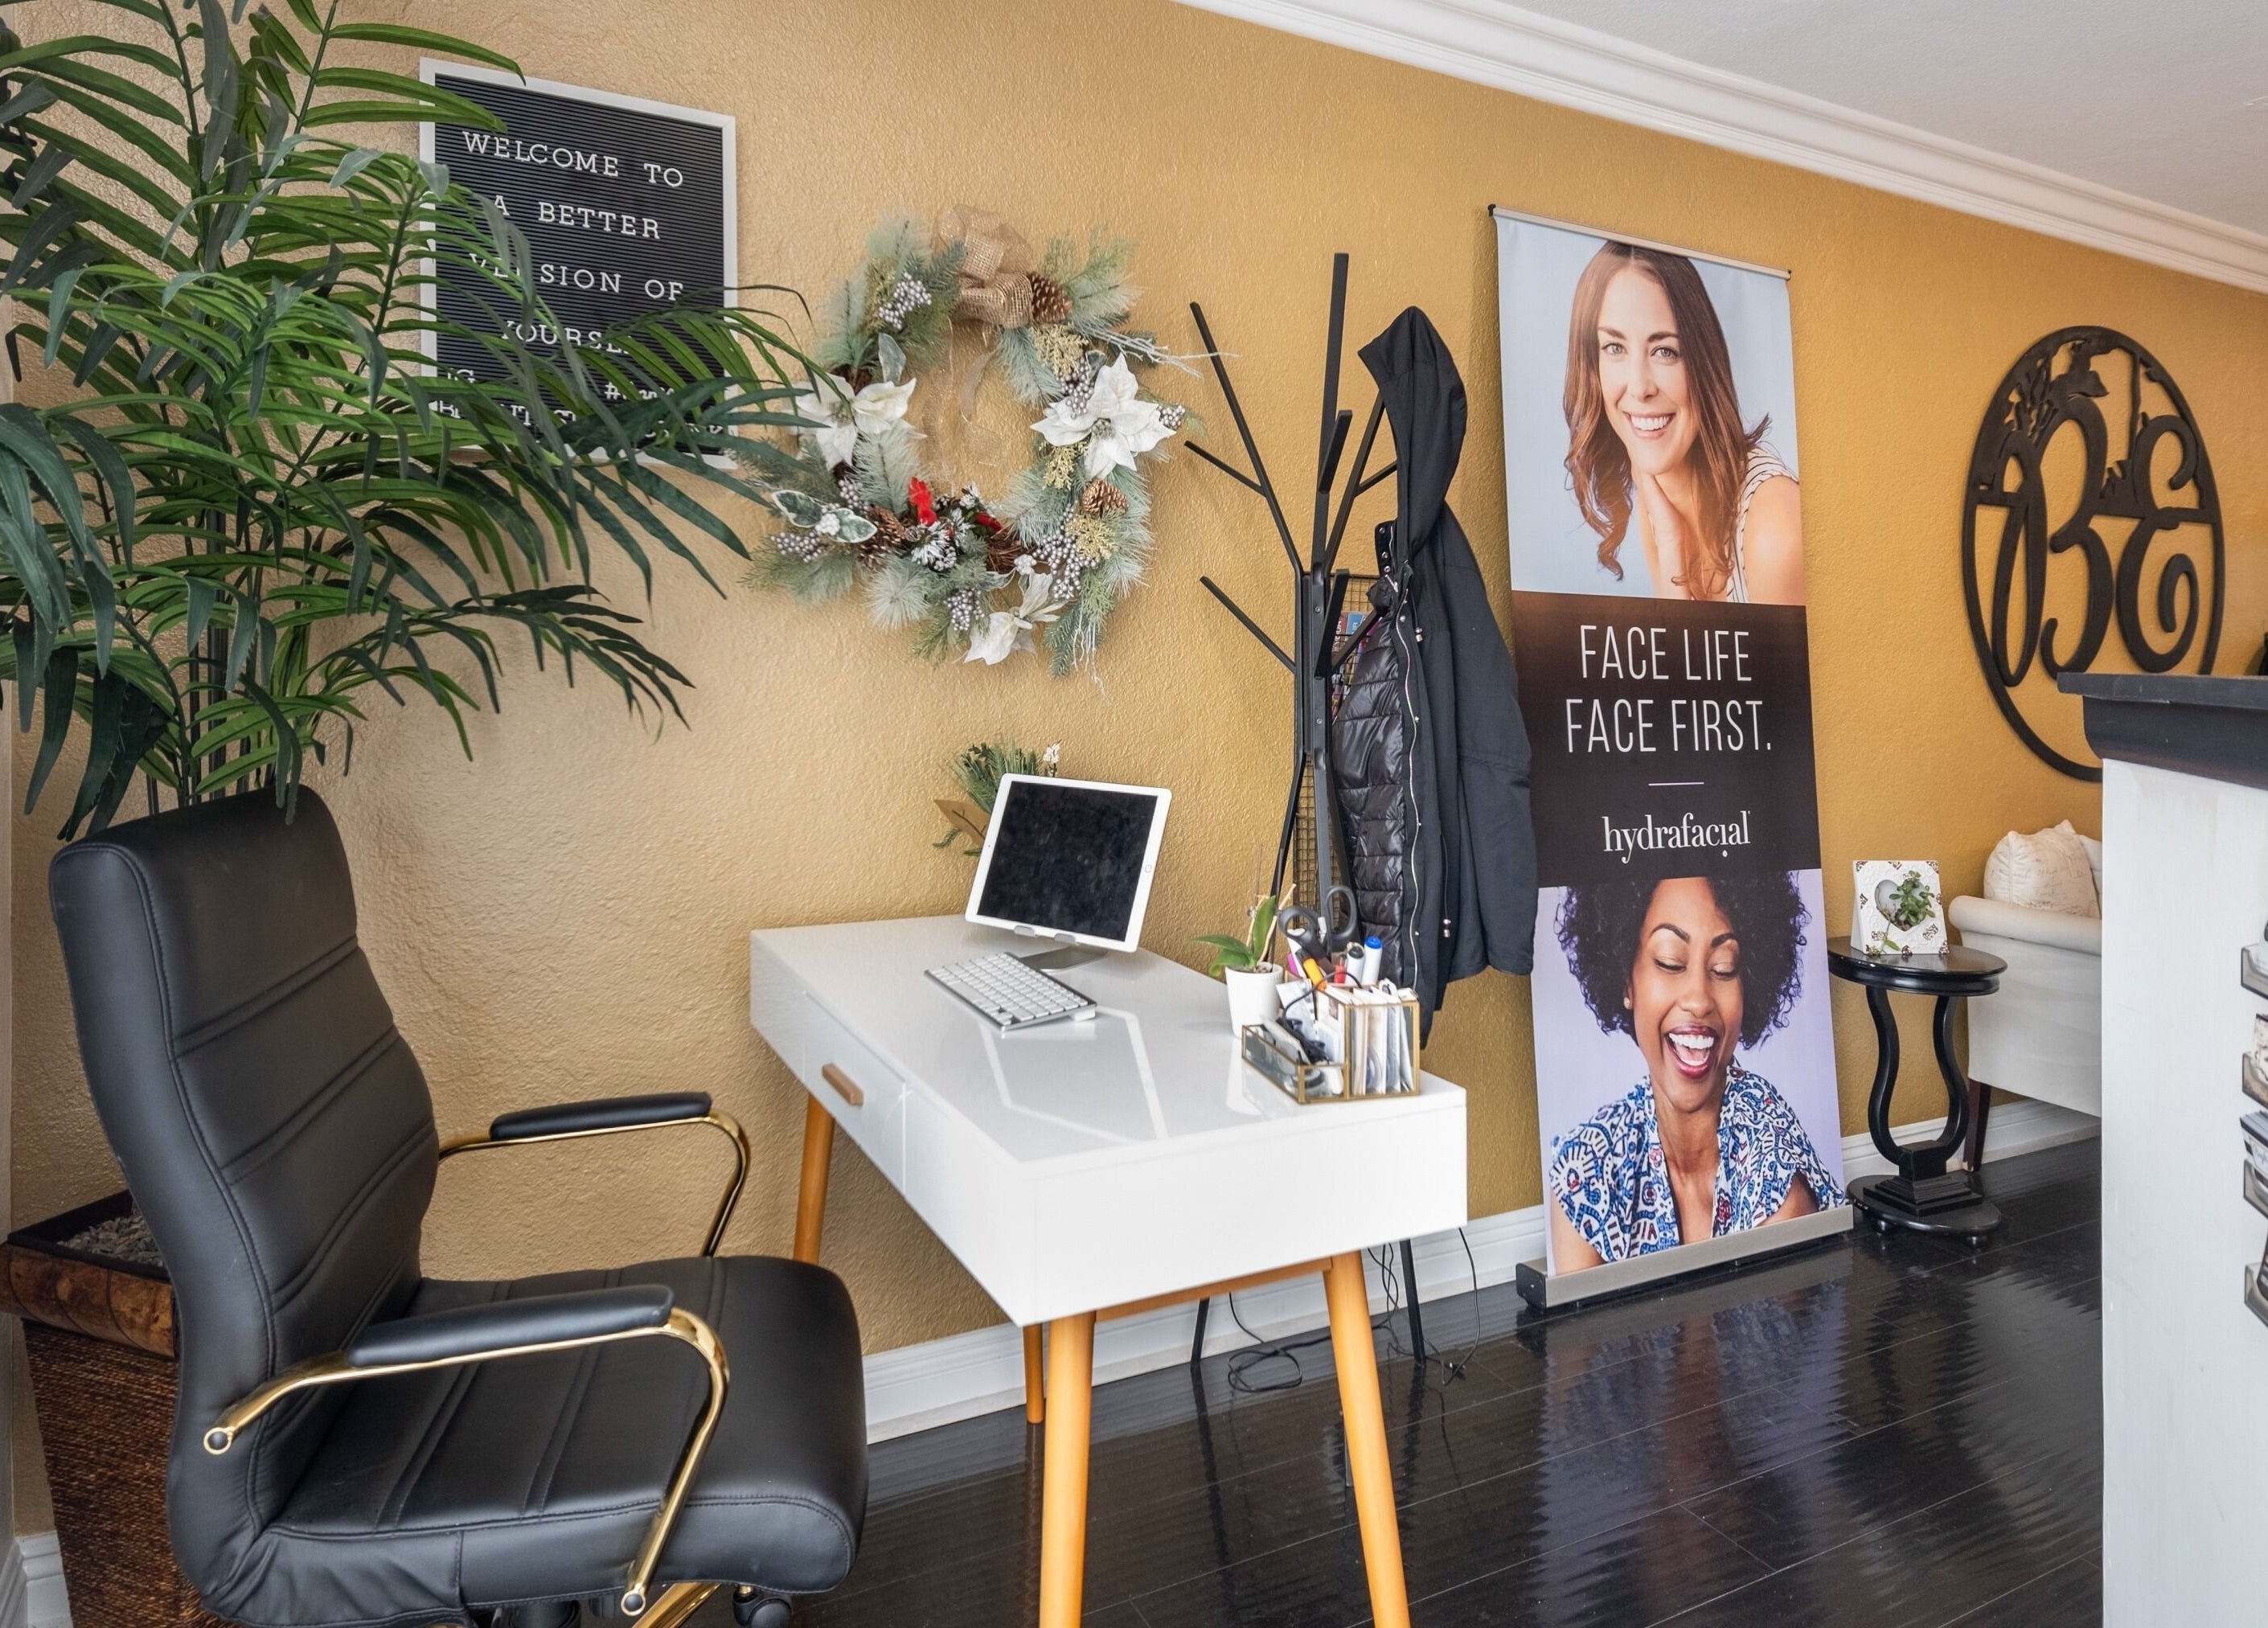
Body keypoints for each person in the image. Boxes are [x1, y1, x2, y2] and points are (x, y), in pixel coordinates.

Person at [1547, 872, 1842, 1270]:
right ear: (1626, 982)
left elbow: (1771, 1330)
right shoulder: (1586, 1168)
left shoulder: (1772, 1160)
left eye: (1723, 968)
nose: (1699, 1000)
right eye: (1670, 962)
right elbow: (1581, 1329)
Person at [1561, 242, 1804, 605]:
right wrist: (1671, 547)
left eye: (1665, 351)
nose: (1640, 387)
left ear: (1703, 363)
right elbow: (1681, 658)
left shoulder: (1775, 529)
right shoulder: (1657, 505)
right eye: (1615, 348)